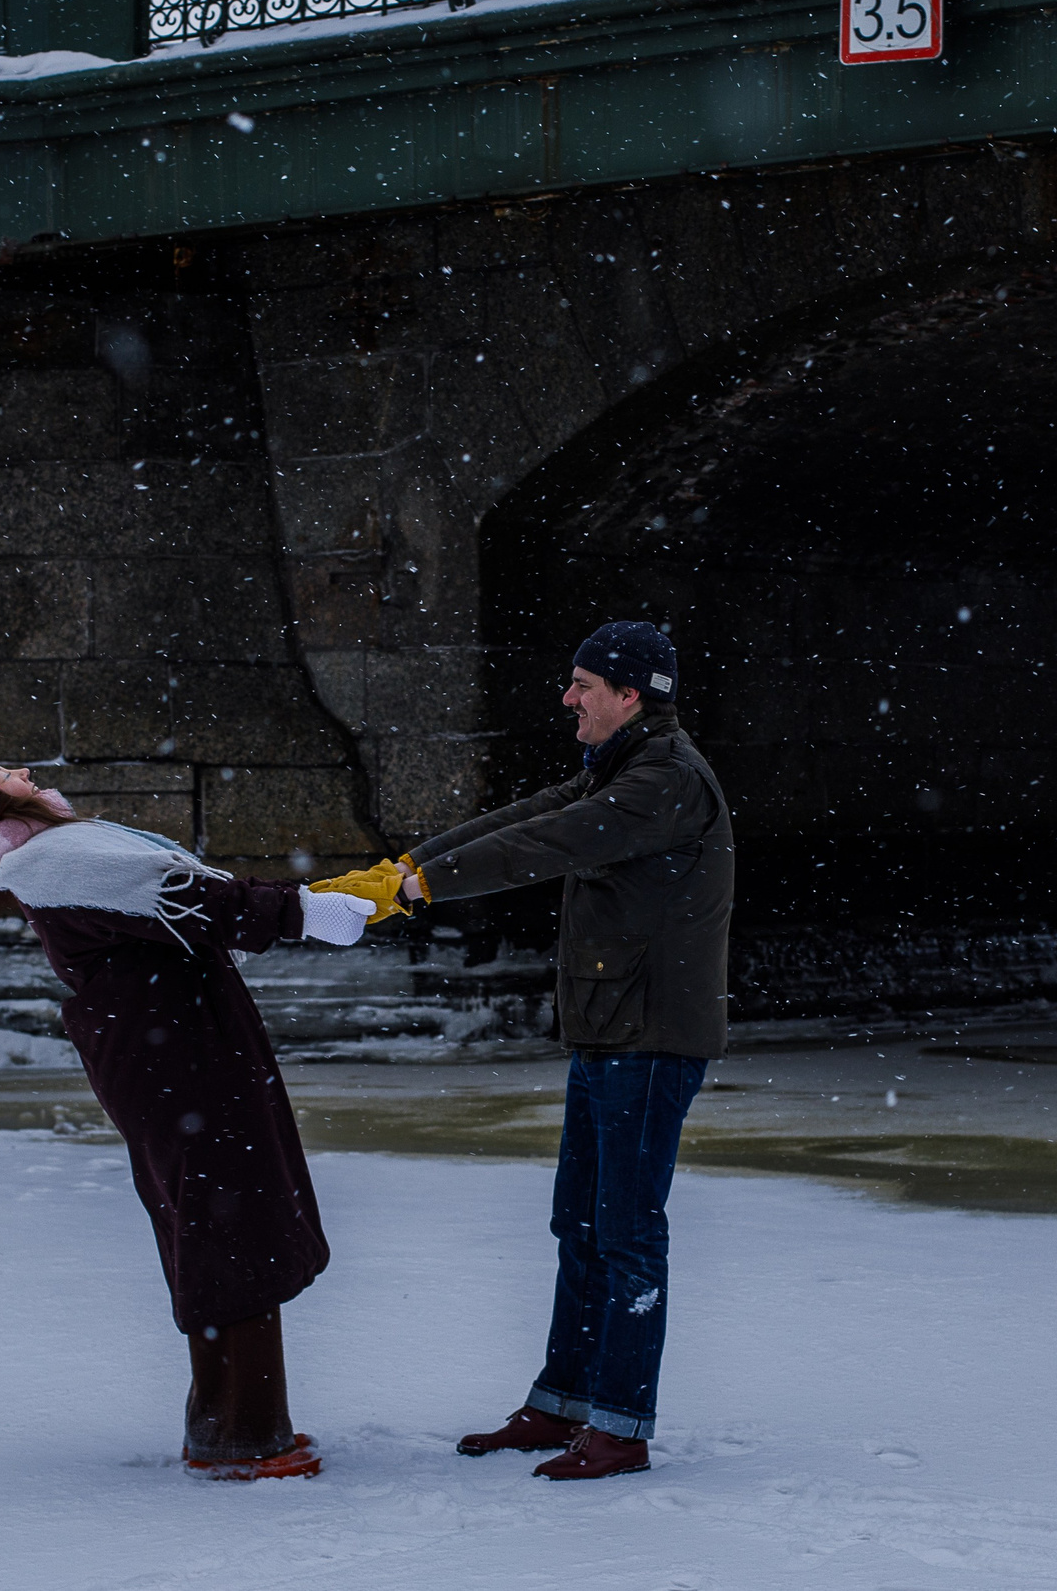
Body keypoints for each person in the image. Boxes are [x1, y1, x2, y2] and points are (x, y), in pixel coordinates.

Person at [314, 620, 733, 1481]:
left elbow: (553, 843)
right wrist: (405, 867)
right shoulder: (620, 767)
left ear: (631, 694)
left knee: (625, 1233)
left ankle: (618, 1425)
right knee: (578, 1223)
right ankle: (562, 1403)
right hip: (610, 1030)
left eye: (584, 684)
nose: (568, 697)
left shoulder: (667, 782)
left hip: (651, 1040)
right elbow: (535, 814)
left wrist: (423, 885)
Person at [0, 759, 374, 1481]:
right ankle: (245, 1438)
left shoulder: (51, 856)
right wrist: (305, 911)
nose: (22, 769)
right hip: (178, 1050)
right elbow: (189, 897)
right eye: (3, 771)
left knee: (212, 1218)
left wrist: (295, 905)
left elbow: (185, 905)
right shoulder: (58, 859)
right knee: (226, 1222)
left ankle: (228, 1423)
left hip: (168, 1046)